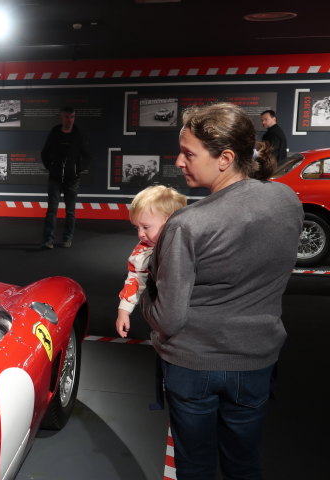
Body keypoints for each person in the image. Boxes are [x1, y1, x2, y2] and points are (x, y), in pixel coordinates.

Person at [140, 102, 303, 480]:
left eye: (188, 153)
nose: (179, 162)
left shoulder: (188, 224)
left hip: (192, 367)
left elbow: (169, 317)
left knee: (195, 466)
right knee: (244, 463)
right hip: (256, 362)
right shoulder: (288, 201)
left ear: (225, 158)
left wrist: (147, 291)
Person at [115, 185, 186, 338]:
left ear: (170, 221)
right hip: (166, 316)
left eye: (146, 227)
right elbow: (134, 280)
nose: (140, 234)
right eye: (137, 228)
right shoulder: (142, 252)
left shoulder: (189, 243)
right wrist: (124, 311)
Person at [41, 106, 91, 248]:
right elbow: (45, 153)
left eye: (72, 117)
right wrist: (51, 167)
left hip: (72, 180)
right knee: (52, 211)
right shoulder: (55, 132)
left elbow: (87, 156)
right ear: (61, 117)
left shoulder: (78, 134)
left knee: (70, 212)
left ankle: (67, 238)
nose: (70, 120)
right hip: (55, 178)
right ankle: (48, 240)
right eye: (67, 117)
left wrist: (77, 170)